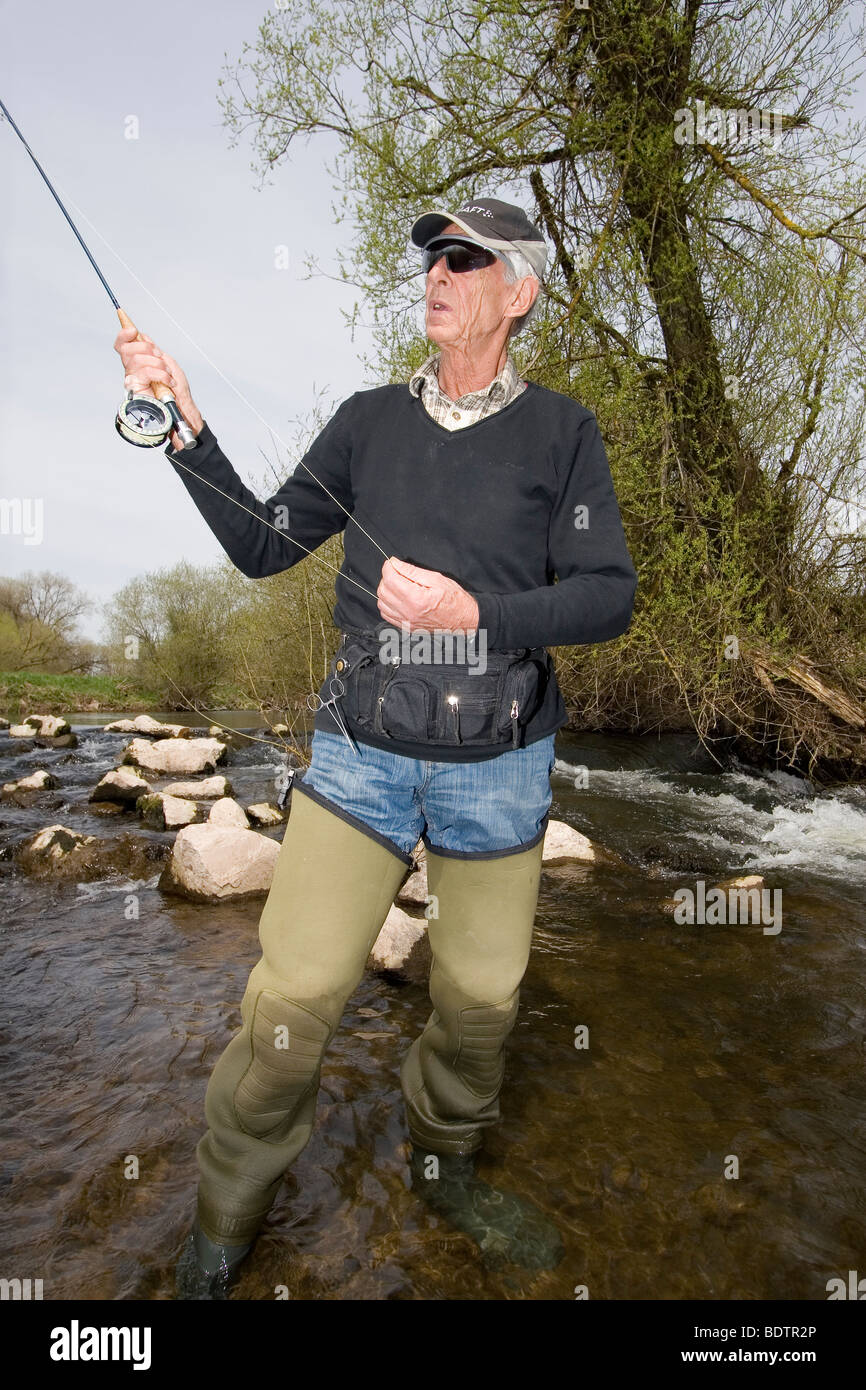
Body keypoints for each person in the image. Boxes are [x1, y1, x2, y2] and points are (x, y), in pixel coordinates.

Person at [114, 197, 638, 1298]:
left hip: (499, 759)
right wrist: (180, 427)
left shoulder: (563, 433)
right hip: (360, 750)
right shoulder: (364, 421)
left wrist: (475, 615)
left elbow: (605, 598)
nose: (435, 272)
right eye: (430, 257)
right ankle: (223, 1220)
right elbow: (262, 546)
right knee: (292, 1001)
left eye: (463, 258)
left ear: (517, 292)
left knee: (481, 1003)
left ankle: (443, 1165)